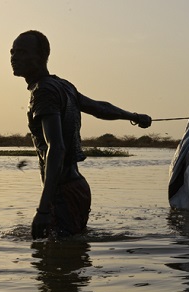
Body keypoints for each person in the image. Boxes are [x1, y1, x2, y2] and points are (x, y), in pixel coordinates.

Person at [10, 30, 152, 239]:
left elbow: (56, 148)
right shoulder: (62, 86)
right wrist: (134, 116)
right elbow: (99, 108)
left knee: (56, 263)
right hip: (78, 188)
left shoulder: (44, 92)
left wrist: (43, 209)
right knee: (72, 255)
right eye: (13, 52)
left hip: (62, 193)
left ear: (41, 56)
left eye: (22, 52)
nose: (14, 58)